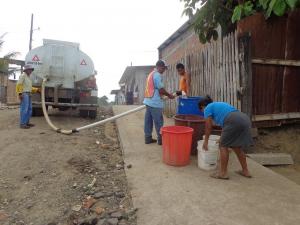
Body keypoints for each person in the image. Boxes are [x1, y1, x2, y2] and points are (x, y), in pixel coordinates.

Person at [198, 95, 253, 179]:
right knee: (236, 147)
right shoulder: (218, 105)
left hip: (233, 120)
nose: (203, 112)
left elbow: (208, 126)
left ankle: (223, 173)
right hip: (244, 119)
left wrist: (206, 141)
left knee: (223, 146)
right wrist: (222, 138)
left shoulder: (207, 108)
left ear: (202, 106)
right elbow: (226, 125)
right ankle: (245, 171)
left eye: (201, 110)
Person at [143, 60, 175, 145]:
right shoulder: (157, 75)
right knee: (159, 121)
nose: (164, 70)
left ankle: (148, 138)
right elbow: (160, 89)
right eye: (164, 68)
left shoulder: (151, 74)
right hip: (155, 102)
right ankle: (161, 140)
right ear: (160, 67)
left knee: (148, 121)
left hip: (148, 101)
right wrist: (169, 95)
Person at [16, 64, 40, 129]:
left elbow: (29, 87)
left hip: (28, 94)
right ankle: (22, 124)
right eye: (29, 70)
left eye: (31, 70)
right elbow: (19, 84)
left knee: (29, 109)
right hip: (24, 94)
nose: (31, 71)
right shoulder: (23, 76)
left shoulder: (28, 77)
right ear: (26, 70)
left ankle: (26, 122)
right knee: (24, 109)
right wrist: (20, 93)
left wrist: (37, 89)